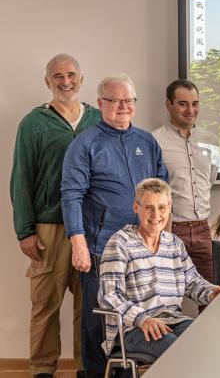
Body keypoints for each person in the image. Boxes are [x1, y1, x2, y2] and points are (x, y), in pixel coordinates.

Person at [62, 74, 168, 378]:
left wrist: (162, 238)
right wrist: (77, 242)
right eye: (115, 100)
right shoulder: (85, 143)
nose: (123, 106)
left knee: (135, 318)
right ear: (100, 104)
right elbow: (70, 195)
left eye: (129, 100)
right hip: (101, 249)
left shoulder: (146, 141)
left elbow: (162, 189)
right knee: (100, 322)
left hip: (141, 249)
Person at [10, 54, 100, 378]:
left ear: (82, 79)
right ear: (47, 81)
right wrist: (25, 231)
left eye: (72, 74)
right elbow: (21, 178)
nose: (66, 81)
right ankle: (43, 370)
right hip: (49, 229)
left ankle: (84, 367)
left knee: (88, 308)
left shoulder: (98, 120)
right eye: (58, 76)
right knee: (45, 306)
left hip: (90, 229)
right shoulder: (33, 124)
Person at [98, 178, 220, 364]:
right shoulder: (120, 243)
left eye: (161, 207)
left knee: (208, 342)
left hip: (173, 321)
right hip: (133, 328)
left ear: (170, 208)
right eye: (148, 207)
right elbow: (109, 295)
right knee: (181, 353)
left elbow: (193, 282)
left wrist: (212, 292)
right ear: (136, 208)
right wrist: (142, 319)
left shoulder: (174, 244)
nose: (155, 214)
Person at [152, 80, 220, 286]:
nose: (190, 110)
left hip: (203, 230)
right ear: (168, 104)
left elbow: (211, 179)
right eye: (183, 104)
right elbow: (152, 190)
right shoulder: (153, 140)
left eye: (195, 103)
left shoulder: (212, 140)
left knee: (210, 296)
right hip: (170, 230)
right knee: (168, 297)